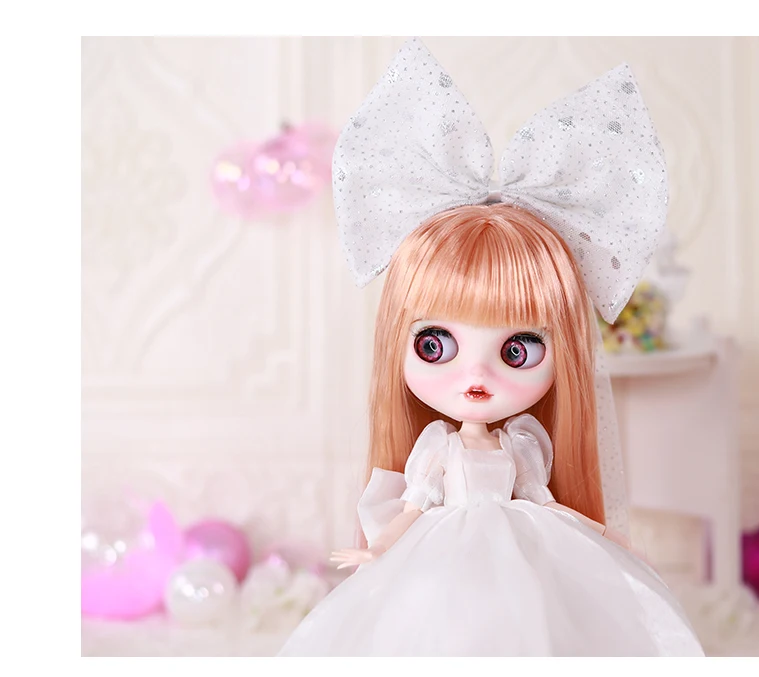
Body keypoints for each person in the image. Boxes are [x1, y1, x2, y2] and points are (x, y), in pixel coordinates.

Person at [277, 38, 705, 657]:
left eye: (518, 350)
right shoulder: (436, 447)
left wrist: (609, 538)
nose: (474, 374)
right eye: (434, 345)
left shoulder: (523, 442)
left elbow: (545, 502)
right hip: (441, 551)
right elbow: (414, 507)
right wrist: (377, 549)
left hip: (527, 541)